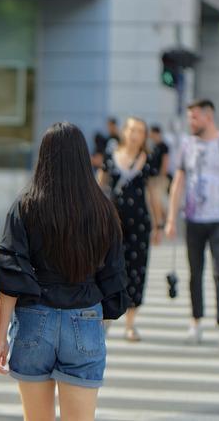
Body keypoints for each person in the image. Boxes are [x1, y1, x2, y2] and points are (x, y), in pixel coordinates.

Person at [0, 122, 130, 421]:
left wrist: (1, 338)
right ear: (83, 157)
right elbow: (114, 273)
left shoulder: (26, 205)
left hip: (34, 318)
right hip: (84, 314)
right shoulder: (102, 209)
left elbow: (11, 273)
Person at [165, 99, 219, 349]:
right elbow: (178, 182)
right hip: (193, 219)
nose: (190, 122)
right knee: (195, 272)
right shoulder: (186, 145)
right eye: (189, 117)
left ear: (208, 117)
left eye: (194, 117)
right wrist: (171, 217)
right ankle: (195, 321)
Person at [97, 117, 162, 342]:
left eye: (140, 131)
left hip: (139, 225)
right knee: (107, 268)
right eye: (132, 129)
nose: (135, 134)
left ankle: (130, 323)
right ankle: (105, 318)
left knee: (136, 271)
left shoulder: (149, 159)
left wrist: (159, 224)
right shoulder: (110, 155)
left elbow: (154, 192)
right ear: (124, 131)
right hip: (111, 224)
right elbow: (100, 185)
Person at [148, 124, 171, 228]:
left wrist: (162, 176)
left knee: (159, 200)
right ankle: (158, 220)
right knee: (153, 201)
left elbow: (165, 163)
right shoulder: (153, 146)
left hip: (159, 178)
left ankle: (164, 221)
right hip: (152, 178)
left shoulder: (163, 146)